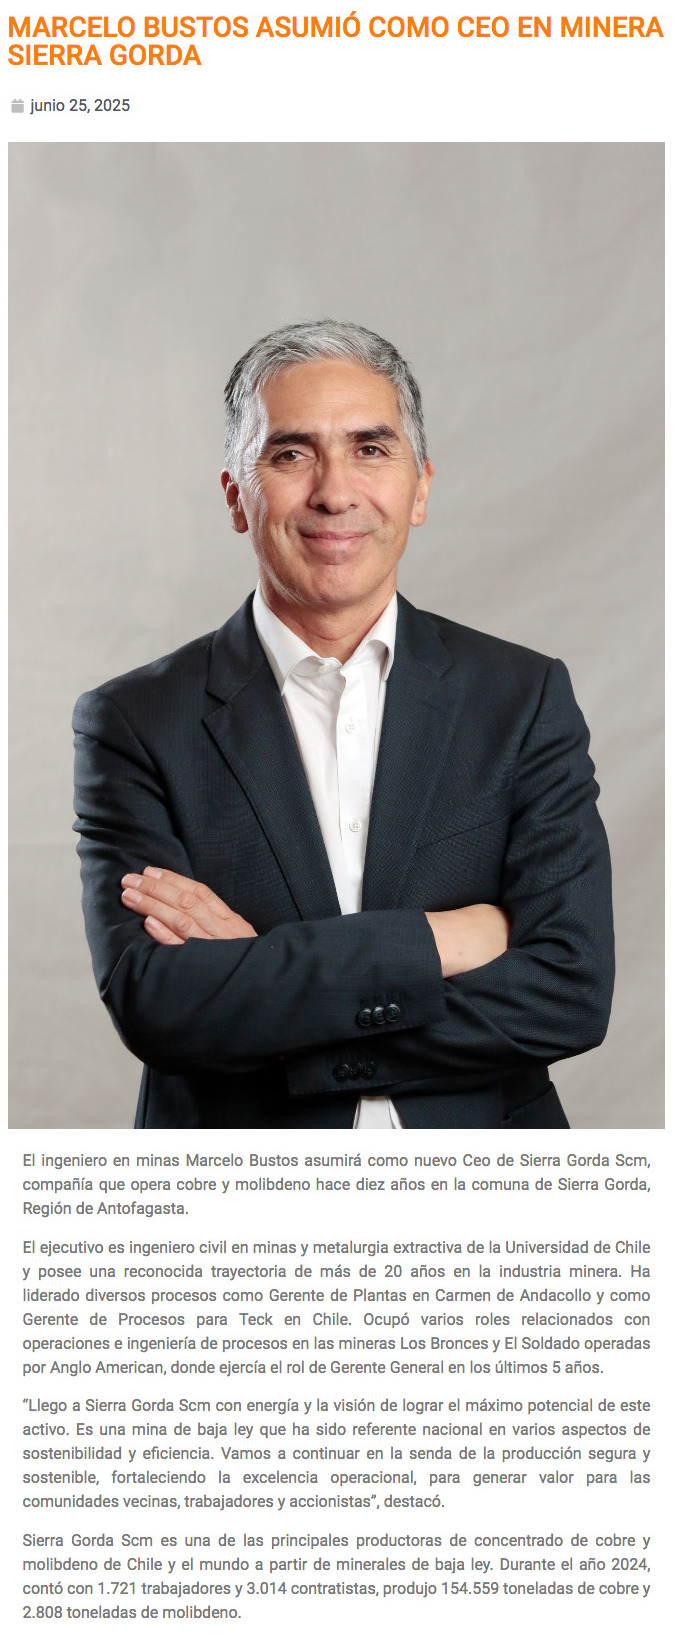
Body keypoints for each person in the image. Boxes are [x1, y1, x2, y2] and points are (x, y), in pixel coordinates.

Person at [73, 319, 614, 1130]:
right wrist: (439, 942)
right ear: (236, 496)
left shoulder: (523, 697)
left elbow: (571, 990)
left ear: (419, 488)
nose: (334, 491)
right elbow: (159, 1003)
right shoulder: (135, 721)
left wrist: (263, 981)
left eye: (371, 448)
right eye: (291, 453)